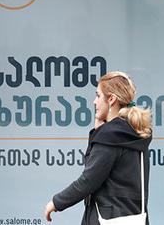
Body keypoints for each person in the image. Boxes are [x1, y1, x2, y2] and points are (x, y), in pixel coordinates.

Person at [44, 71, 152, 225]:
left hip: (105, 218)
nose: (95, 102)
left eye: (98, 95)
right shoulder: (136, 132)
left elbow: (89, 179)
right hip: (135, 217)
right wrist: (98, 132)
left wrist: (56, 203)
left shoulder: (110, 135)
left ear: (111, 99)